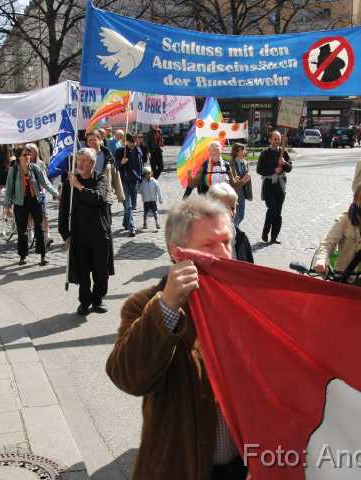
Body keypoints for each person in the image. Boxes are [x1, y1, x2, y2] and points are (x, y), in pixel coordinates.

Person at [106, 195, 248, 480]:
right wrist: (166, 308)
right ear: (178, 251)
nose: (223, 254)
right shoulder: (143, 305)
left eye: (226, 242)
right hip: (179, 468)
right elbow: (128, 378)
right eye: (209, 245)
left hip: (244, 467)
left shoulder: (245, 305)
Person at [58, 148, 114, 316]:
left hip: (99, 233)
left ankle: (98, 299)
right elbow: (64, 209)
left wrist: (79, 187)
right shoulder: (70, 183)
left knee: (100, 270)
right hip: (79, 234)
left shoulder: (101, 179)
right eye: (79, 161)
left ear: (92, 163)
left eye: (84, 161)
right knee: (83, 272)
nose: (80, 164)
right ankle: (84, 301)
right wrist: (65, 233)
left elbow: (98, 198)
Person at [4, 147, 59, 266]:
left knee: (39, 229)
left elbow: (46, 183)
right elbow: (8, 189)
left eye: (29, 154)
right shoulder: (13, 171)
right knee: (22, 231)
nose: (28, 157)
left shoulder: (35, 168)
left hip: (35, 201)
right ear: (19, 157)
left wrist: (57, 195)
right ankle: (22, 256)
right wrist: (7, 206)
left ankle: (42, 256)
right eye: (25, 155)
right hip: (20, 203)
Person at [257, 130, 292, 245]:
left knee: (278, 212)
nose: (277, 141)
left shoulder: (283, 152)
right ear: (270, 140)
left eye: (278, 139)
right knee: (272, 208)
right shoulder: (265, 153)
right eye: (275, 139)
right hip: (268, 185)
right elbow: (259, 170)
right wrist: (273, 170)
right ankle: (265, 231)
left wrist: (284, 163)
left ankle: (274, 237)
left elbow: (290, 168)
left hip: (280, 185)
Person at [208, 182, 254, 263]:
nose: (231, 213)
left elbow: (250, 271)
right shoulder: (199, 239)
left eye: (233, 208)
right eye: (225, 208)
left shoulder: (241, 237)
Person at [26, 143, 58, 248]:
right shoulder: (23, 163)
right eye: (30, 150)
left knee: (44, 214)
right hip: (27, 194)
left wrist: (54, 193)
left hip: (40, 192)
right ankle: (30, 231)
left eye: (34, 150)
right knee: (29, 214)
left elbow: (45, 180)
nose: (32, 153)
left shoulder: (41, 164)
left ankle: (47, 236)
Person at [115, 133, 143, 237]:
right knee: (129, 205)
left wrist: (140, 178)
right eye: (130, 142)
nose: (132, 144)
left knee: (132, 205)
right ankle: (132, 228)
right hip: (124, 180)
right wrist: (121, 162)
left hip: (135, 180)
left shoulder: (139, 151)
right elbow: (115, 165)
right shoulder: (121, 151)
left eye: (134, 142)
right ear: (126, 141)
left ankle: (125, 222)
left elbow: (141, 165)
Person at [86, 132, 124, 210]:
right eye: (90, 140)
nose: (92, 142)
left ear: (99, 140)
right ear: (87, 142)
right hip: (89, 191)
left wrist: (120, 194)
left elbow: (115, 175)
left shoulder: (108, 156)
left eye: (94, 139)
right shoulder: (83, 156)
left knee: (105, 219)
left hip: (105, 192)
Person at [228, 142, 252, 228]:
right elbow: (231, 179)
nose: (245, 152)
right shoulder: (230, 163)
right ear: (238, 151)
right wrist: (241, 179)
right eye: (243, 150)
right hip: (234, 191)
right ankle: (233, 229)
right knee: (234, 212)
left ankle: (234, 227)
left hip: (243, 190)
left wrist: (246, 178)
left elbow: (246, 175)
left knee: (241, 214)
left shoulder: (244, 162)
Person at [138, 166, 163, 230]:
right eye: (146, 174)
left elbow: (158, 190)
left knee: (155, 212)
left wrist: (160, 199)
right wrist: (139, 189)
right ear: (144, 175)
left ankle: (157, 223)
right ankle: (145, 223)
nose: (148, 175)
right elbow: (139, 191)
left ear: (151, 173)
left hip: (153, 200)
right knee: (145, 212)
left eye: (149, 173)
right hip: (146, 200)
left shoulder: (155, 182)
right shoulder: (142, 183)